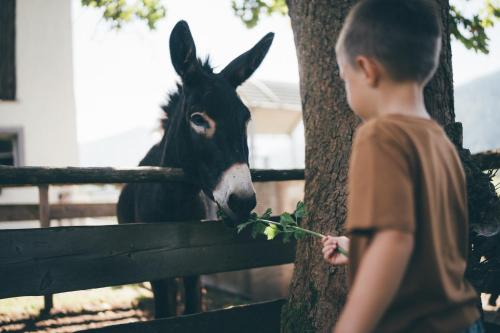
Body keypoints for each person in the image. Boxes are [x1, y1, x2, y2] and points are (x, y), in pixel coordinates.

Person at [320, 0, 482, 332]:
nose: (348, 91)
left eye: (345, 78)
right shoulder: (440, 144)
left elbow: (394, 242)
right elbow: (425, 240)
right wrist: (361, 248)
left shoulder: (379, 134)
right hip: (463, 321)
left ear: (366, 69)